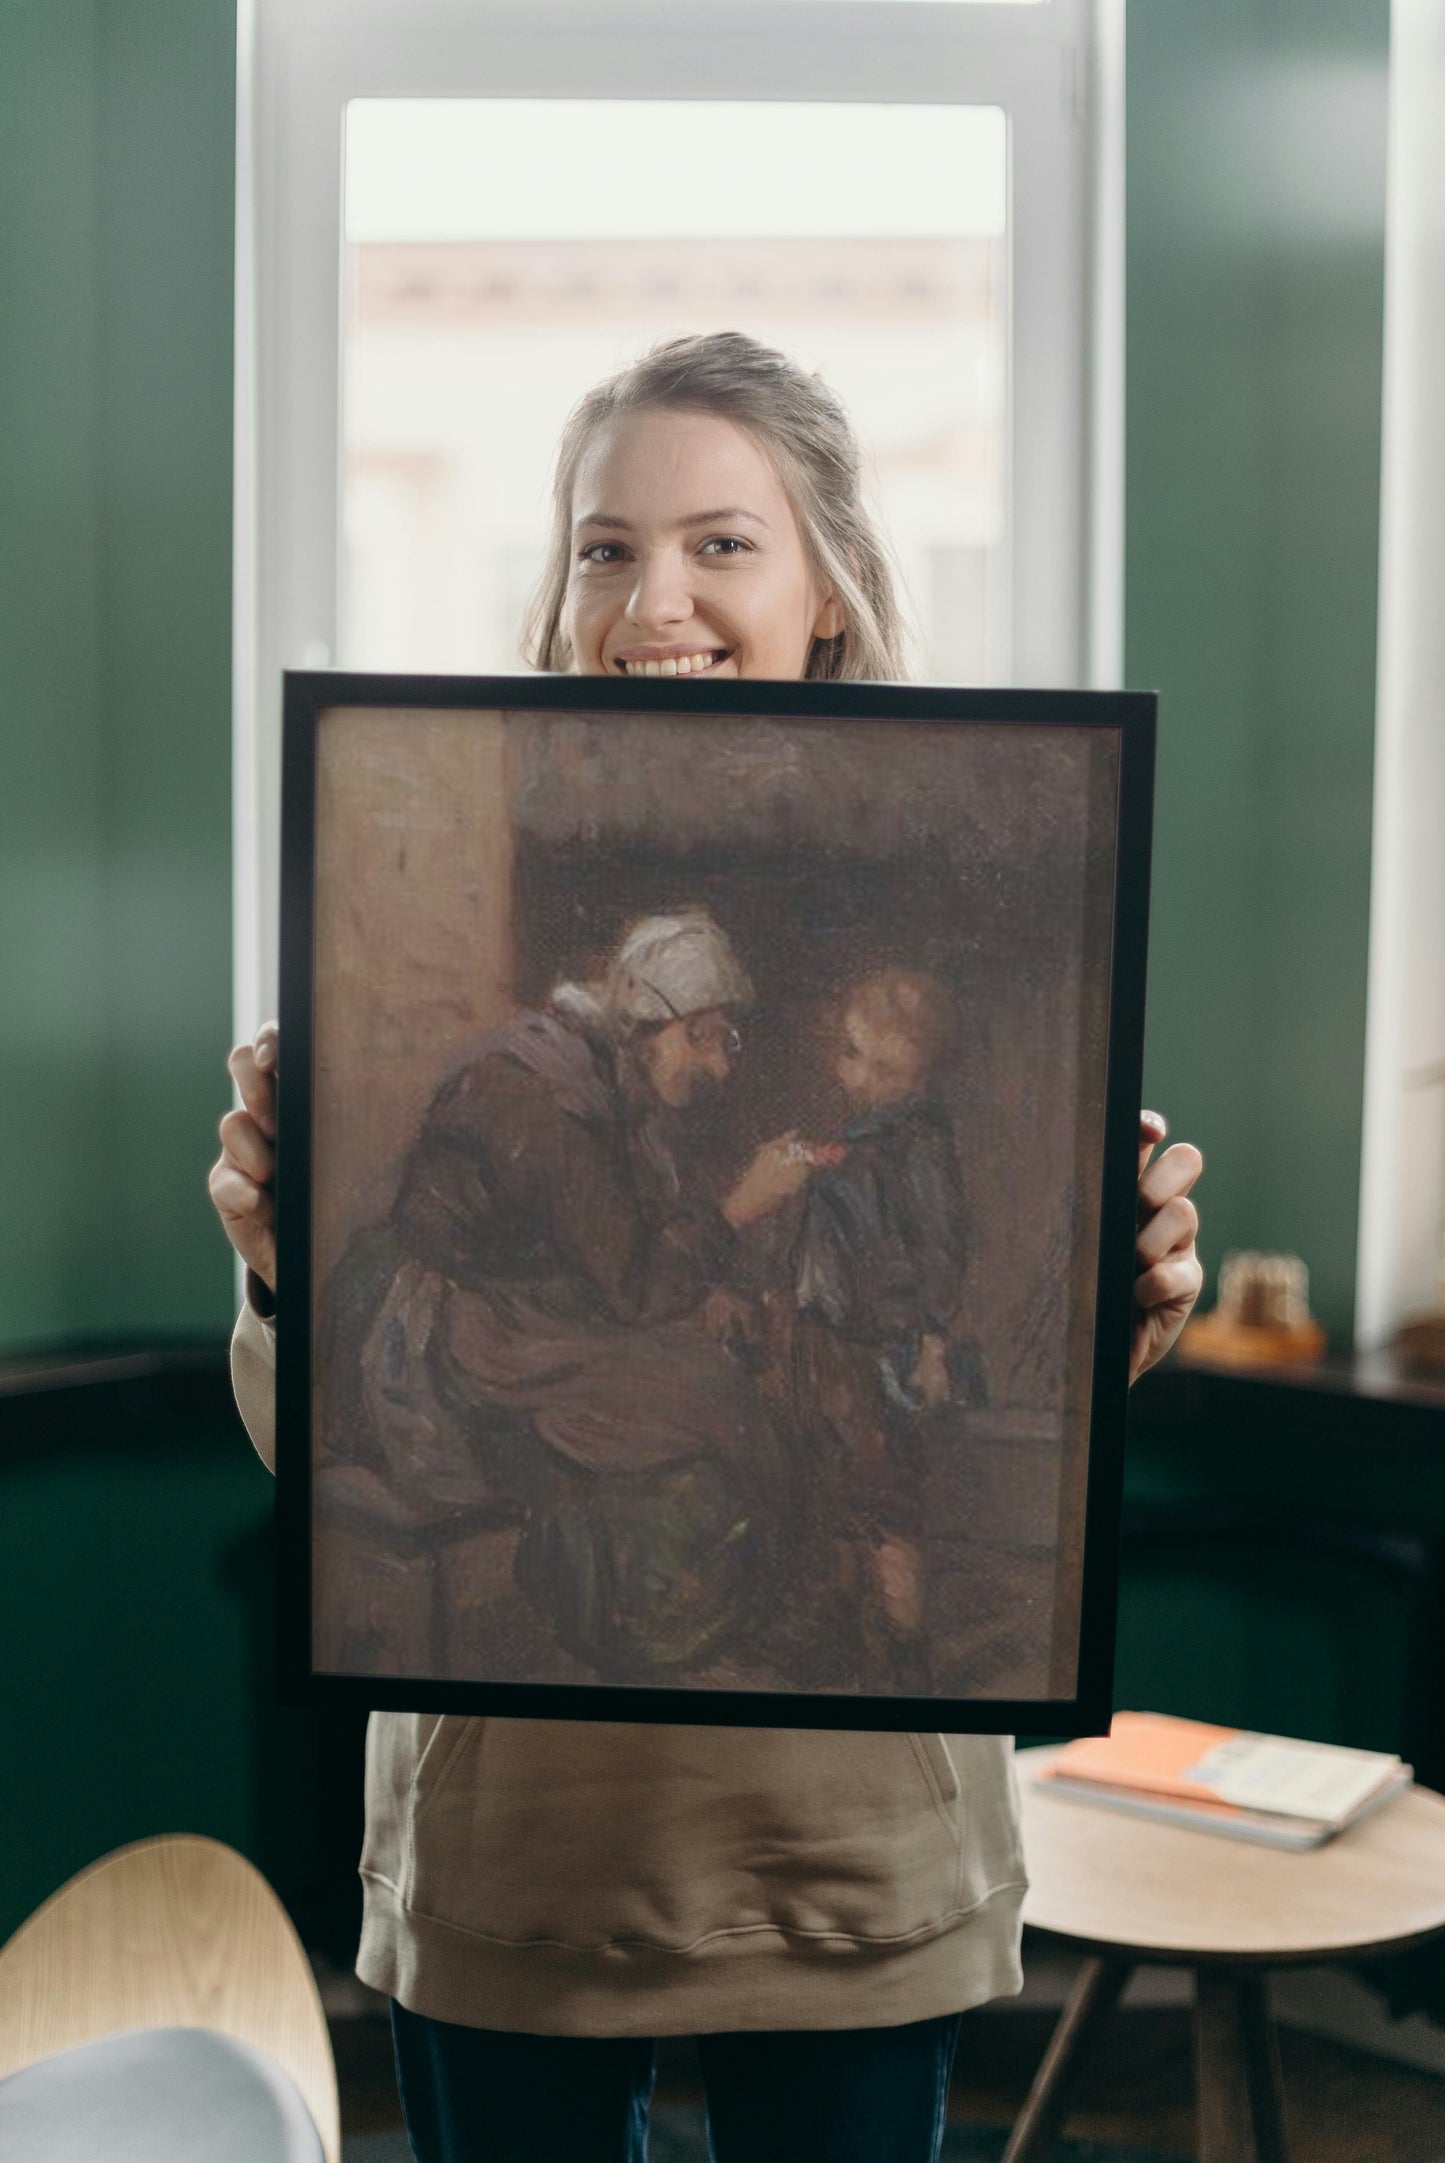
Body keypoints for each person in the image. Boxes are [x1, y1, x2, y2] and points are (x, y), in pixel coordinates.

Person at [211, 332, 1204, 2163]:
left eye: (721, 543)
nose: (651, 595)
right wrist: (276, 1269)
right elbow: (345, 1426)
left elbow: (876, 1336)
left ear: (827, 584)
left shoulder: (1024, 836)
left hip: (848, 1851)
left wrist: (1118, 1308)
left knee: (771, 1404)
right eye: (604, 546)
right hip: (524, 1849)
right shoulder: (518, 1067)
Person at [335, 906, 808, 1682]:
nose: (720, 1066)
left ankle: (695, 1605)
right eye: (706, 1037)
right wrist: (739, 1208)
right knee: (711, 1400)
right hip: (456, 1335)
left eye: (728, 1039)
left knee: (711, 1379)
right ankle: (636, 1611)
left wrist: (699, 1295)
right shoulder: (545, 1100)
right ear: (648, 1024)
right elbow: (630, 1281)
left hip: (530, 1310)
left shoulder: (602, 1078)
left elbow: (617, 1244)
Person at [786, 968, 972, 1687]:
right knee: (834, 1488)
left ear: (922, 1077)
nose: (859, 1075)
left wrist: (931, 1344)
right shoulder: (863, 1135)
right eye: (852, 1053)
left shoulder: (917, 1144)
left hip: (881, 1348)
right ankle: (840, 1625)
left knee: (886, 1499)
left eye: (885, 1066)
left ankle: (902, 1645)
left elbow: (939, 1251)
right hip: (828, 1341)